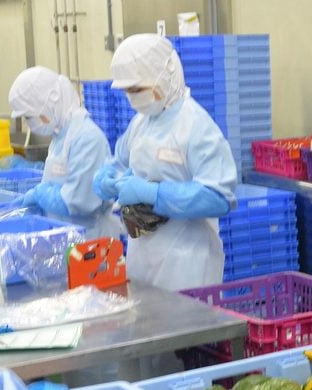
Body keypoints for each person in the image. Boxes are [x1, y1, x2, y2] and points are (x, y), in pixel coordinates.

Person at [93, 33, 237, 292]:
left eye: (138, 89)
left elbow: (218, 197)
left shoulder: (195, 125)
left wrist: (152, 193)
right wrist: (108, 178)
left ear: (166, 75)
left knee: (185, 318)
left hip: (187, 263)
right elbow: (119, 161)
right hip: (142, 255)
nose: (132, 98)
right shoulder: (141, 122)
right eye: (128, 91)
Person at [8, 67, 122, 239]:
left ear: (51, 102)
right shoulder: (60, 137)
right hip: (65, 236)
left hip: (90, 240)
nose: (29, 123)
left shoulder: (87, 138)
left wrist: (41, 195)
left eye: (30, 117)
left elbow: (80, 201)